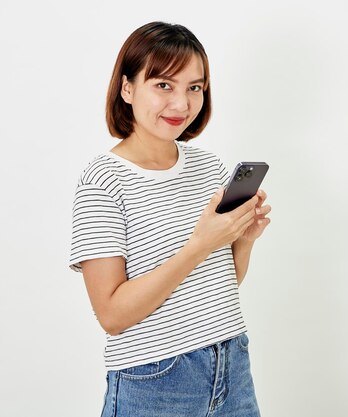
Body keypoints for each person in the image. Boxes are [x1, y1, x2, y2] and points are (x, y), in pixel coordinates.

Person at [68, 21, 271, 417]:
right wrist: (200, 245)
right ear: (127, 88)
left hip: (232, 363)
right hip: (156, 381)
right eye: (164, 85)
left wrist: (241, 240)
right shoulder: (103, 181)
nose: (181, 104)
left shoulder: (208, 167)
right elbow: (112, 315)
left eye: (194, 87)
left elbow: (217, 284)